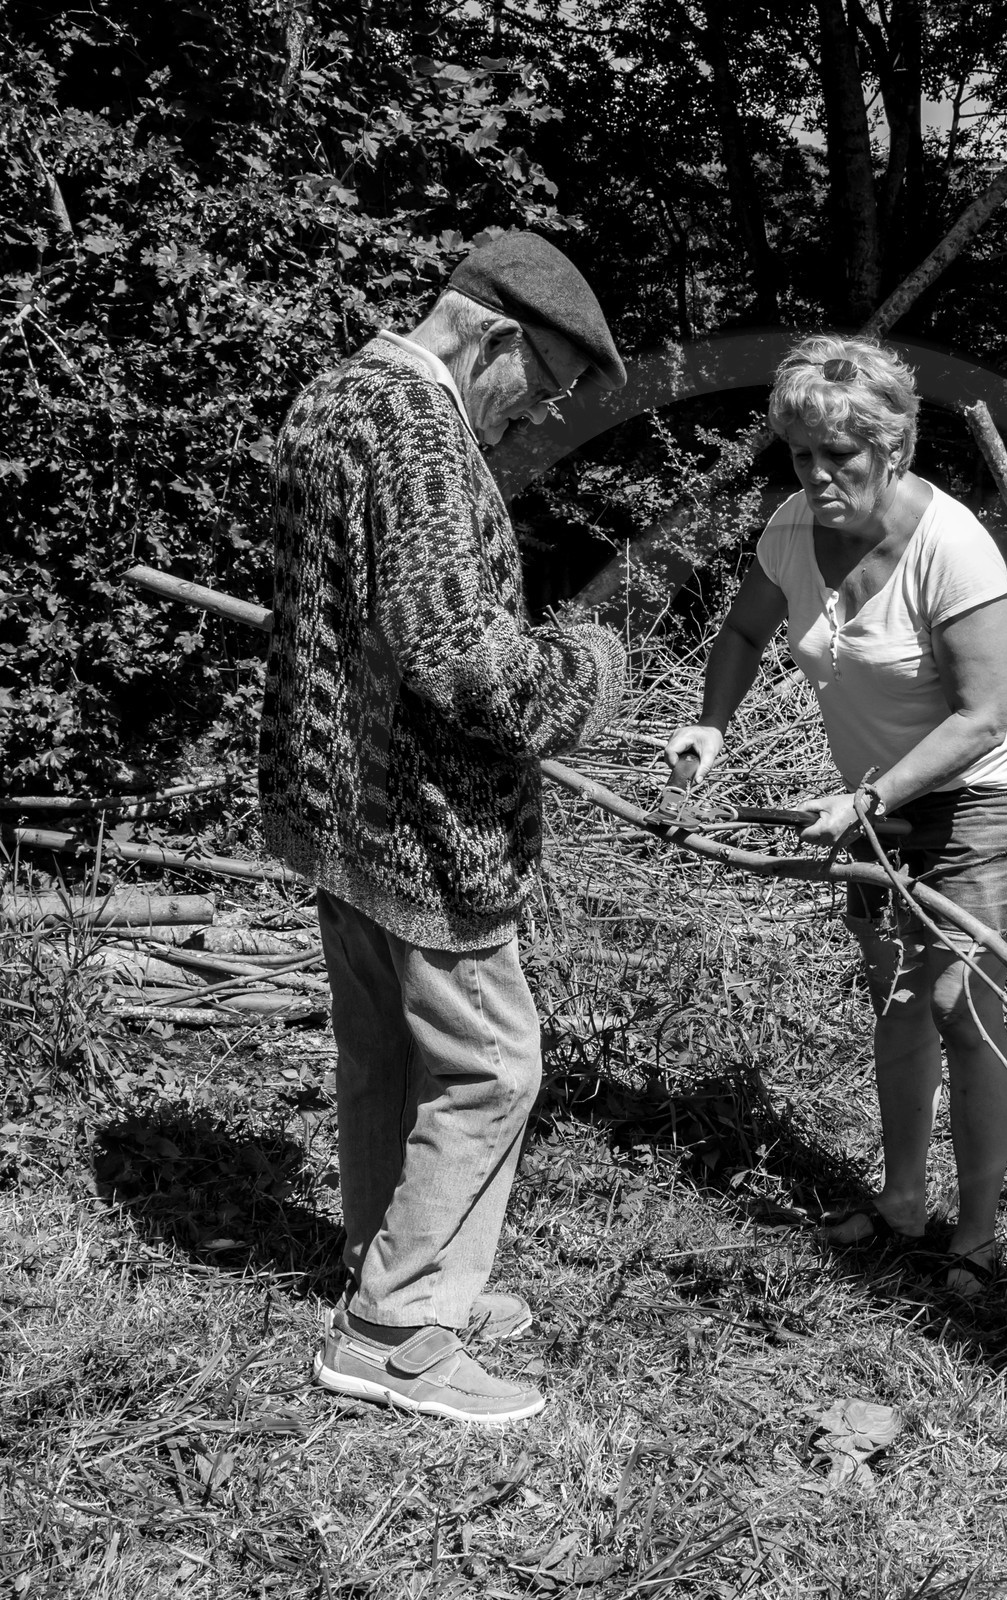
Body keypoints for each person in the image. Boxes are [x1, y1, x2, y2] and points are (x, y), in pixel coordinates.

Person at [258, 233, 630, 1425]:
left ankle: (394, 1257)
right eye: (551, 383)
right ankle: (398, 1328)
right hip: (421, 823)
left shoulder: (336, 397)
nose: (539, 414)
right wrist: (592, 668)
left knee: (389, 1058)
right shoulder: (422, 436)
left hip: (336, 803)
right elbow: (467, 663)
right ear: (494, 336)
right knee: (491, 1065)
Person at [664, 335, 1007, 1294]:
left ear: (895, 450)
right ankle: (904, 1202)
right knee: (899, 1000)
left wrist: (870, 797)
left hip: (978, 796)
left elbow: (982, 715)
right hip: (870, 806)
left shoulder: (952, 546)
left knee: (963, 1005)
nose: (821, 476)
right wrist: (710, 724)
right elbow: (747, 628)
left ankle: (981, 1233)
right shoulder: (793, 528)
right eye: (803, 455)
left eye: (843, 458)